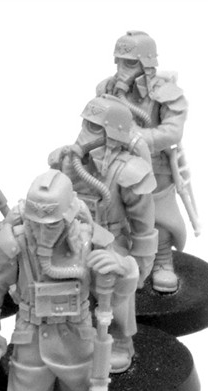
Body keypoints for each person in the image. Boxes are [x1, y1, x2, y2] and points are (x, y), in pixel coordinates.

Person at [0, 169, 138, 391]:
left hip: (76, 330)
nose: (42, 231)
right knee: (29, 385)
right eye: (36, 223)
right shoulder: (18, 242)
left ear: (69, 216)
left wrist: (123, 269)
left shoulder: (89, 241)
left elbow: (114, 294)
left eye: (50, 224)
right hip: (32, 329)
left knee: (78, 386)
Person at [49, 94, 157, 372]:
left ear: (113, 133)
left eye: (95, 127)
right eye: (86, 124)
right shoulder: (69, 161)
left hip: (111, 239)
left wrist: (140, 263)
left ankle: (120, 338)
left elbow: (144, 223)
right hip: (72, 235)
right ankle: (70, 332)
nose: (86, 133)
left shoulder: (129, 172)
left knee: (115, 279)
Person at [97, 31, 190, 293]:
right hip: (114, 161)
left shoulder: (166, 93)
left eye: (129, 63)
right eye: (118, 61)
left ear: (146, 63)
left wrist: (139, 137)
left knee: (157, 213)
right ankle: (120, 257)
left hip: (154, 164)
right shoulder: (107, 89)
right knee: (112, 209)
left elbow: (172, 132)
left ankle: (162, 259)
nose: (121, 69)